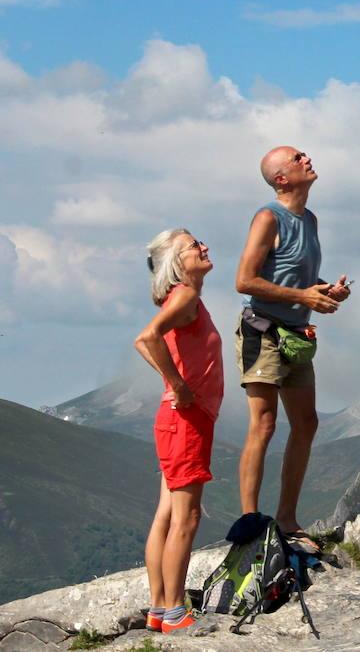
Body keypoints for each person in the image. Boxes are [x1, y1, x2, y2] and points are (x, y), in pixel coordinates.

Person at [234, 146, 350, 546]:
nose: (307, 158)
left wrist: (323, 291)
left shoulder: (310, 219)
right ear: (281, 179)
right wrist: (304, 298)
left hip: (295, 335)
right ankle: (250, 521)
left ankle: (286, 519)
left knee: (306, 423)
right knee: (264, 423)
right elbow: (245, 281)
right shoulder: (268, 218)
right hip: (264, 331)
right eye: (297, 158)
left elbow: (296, 275)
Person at [134, 229, 223, 634]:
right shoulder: (185, 296)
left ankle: (158, 608)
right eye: (193, 246)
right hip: (187, 421)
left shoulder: (183, 299)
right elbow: (146, 338)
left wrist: (172, 382)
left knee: (166, 516)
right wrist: (180, 385)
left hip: (176, 419)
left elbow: (145, 343)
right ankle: (174, 612)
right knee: (185, 520)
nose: (203, 247)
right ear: (177, 261)